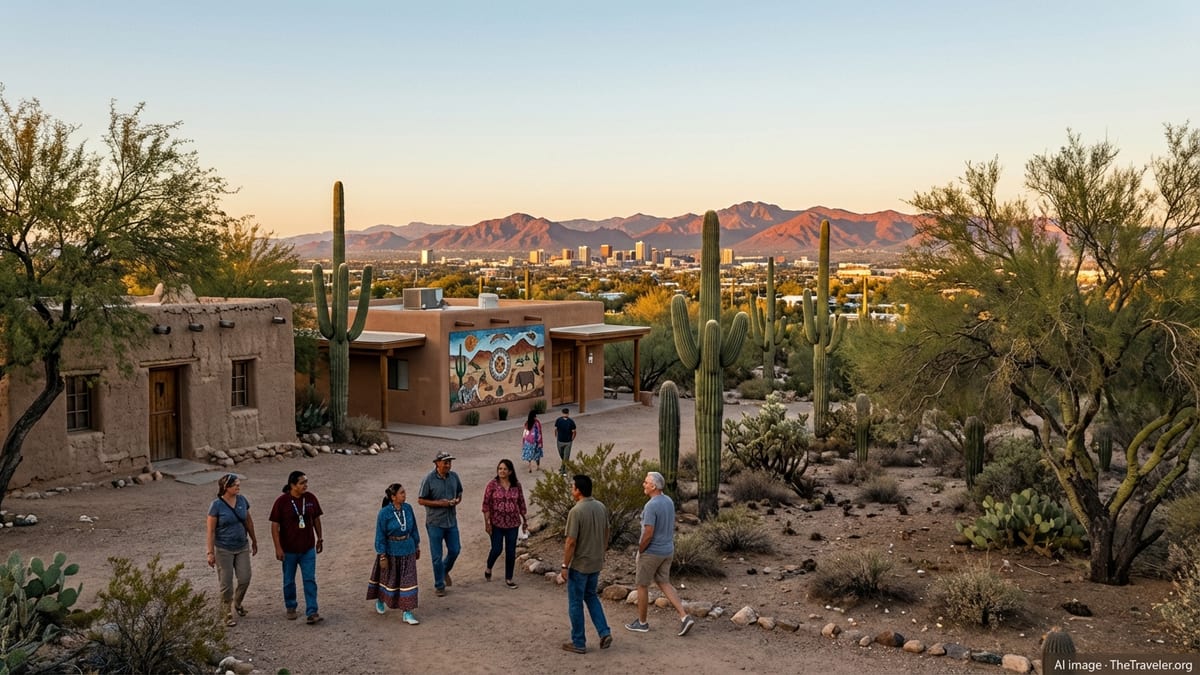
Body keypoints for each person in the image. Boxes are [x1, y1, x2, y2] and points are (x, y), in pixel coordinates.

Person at [624, 471, 696, 636]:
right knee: (664, 582)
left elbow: (649, 531)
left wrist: (641, 549)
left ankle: (642, 623)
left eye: (646, 482)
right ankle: (684, 616)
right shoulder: (668, 501)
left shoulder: (651, 505)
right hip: (667, 550)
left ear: (653, 486)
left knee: (642, 585)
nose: (644, 484)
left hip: (652, 552)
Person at [556, 474, 613, 654]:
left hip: (580, 564)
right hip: (595, 563)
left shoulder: (576, 511)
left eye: (572, 487)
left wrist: (565, 566)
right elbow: (607, 531)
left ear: (578, 490)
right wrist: (602, 552)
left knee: (575, 602)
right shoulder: (601, 507)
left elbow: (571, 541)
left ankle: (578, 641)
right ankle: (604, 631)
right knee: (591, 596)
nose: (571, 489)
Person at [269, 470, 324, 624]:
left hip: (307, 548)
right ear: (292, 485)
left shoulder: (311, 498)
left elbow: (316, 519)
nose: (305, 485)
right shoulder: (282, 502)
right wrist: (278, 548)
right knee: (288, 581)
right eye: (302, 483)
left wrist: (319, 538)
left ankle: (312, 611)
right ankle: (291, 606)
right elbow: (274, 526)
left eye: (306, 482)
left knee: (309, 580)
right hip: (289, 550)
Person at [206, 473, 258, 627]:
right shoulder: (216, 505)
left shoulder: (242, 500)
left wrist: (254, 540)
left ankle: (238, 602)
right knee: (226, 583)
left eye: (238, 484)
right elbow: (211, 531)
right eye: (235, 484)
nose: (238, 486)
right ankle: (227, 611)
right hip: (224, 549)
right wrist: (210, 553)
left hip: (242, 546)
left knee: (245, 578)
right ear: (226, 487)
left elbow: (248, 520)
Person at [367, 483, 421, 625]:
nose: (405, 495)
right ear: (393, 497)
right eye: (401, 493)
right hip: (391, 551)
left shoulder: (408, 508)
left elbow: (414, 528)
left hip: (408, 549)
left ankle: (407, 612)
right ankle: (380, 598)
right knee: (389, 579)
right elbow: (380, 534)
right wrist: (382, 554)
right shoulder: (384, 513)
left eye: (404, 492)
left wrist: (416, 545)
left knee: (408, 581)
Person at [417, 451, 463, 597]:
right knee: (436, 556)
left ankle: (443, 571)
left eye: (449, 462)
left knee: (455, 550)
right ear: (437, 463)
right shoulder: (428, 479)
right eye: (445, 462)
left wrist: (457, 500)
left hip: (451, 521)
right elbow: (421, 500)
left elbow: (460, 492)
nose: (448, 465)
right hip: (434, 523)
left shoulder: (454, 477)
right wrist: (440, 503)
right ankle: (439, 585)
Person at [481, 459, 528, 588]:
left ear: (510, 471)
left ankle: (509, 578)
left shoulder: (516, 485)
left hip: (513, 523)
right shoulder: (492, 485)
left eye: (505, 469)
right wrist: (487, 523)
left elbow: (521, 503)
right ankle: (489, 567)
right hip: (496, 523)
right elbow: (486, 505)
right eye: (500, 468)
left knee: (511, 551)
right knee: (496, 549)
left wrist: (525, 520)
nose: (502, 471)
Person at [553, 408, 577, 475]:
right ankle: (563, 467)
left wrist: (571, 439)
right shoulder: (558, 420)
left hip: (567, 442)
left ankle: (563, 471)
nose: (565, 414)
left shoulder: (571, 422)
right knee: (562, 455)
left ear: (568, 414)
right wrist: (557, 436)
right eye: (564, 413)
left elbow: (574, 432)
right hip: (560, 441)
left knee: (566, 456)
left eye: (566, 413)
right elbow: (556, 429)